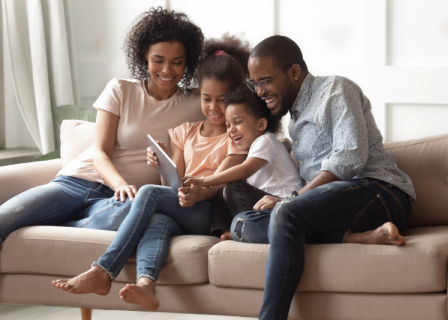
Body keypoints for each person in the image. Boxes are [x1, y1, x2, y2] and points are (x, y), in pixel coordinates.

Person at [52, 34, 251, 311]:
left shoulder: (236, 138)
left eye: (223, 100)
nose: (214, 108)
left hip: (207, 210)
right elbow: (171, 184)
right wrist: (161, 164)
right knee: (157, 221)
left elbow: (221, 182)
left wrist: (198, 191)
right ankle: (146, 284)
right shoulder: (185, 131)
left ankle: (103, 270)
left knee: (147, 193)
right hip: (181, 205)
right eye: (207, 99)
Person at [235, 35, 416, 320]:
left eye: (265, 81)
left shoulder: (335, 89)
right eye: (254, 83)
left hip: (379, 192)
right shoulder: (295, 117)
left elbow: (348, 158)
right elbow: (314, 195)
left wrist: (291, 201)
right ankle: (360, 237)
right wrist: (288, 201)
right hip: (338, 203)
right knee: (241, 224)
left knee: (285, 214)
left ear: (295, 71)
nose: (259, 91)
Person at [0, 7, 206, 244]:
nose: (167, 70)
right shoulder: (121, 89)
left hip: (119, 203)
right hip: (76, 183)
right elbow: (100, 152)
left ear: (187, 62)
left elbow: (232, 94)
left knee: (130, 213)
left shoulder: (198, 103)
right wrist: (120, 185)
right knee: (4, 218)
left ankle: (61, 226)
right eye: (158, 60)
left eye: (177, 62)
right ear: (144, 56)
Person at [183, 85, 303, 241]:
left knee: (234, 185)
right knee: (225, 189)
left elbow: (244, 170)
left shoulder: (266, 141)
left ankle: (247, 227)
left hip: (282, 206)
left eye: (237, 122)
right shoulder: (253, 149)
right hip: (265, 206)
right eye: (228, 125)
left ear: (261, 125)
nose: (231, 130)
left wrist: (204, 180)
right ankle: (226, 230)